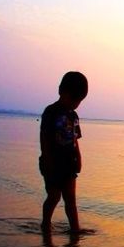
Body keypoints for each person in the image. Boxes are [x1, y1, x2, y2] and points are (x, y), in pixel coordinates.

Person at [39, 71, 89, 234]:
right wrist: (47, 159)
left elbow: (75, 140)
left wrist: (79, 158)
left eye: (78, 101)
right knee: (54, 196)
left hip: (69, 162)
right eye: (72, 98)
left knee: (70, 199)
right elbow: (44, 137)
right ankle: (45, 224)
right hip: (52, 162)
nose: (74, 103)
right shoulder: (51, 111)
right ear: (61, 91)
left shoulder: (73, 115)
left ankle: (75, 229)